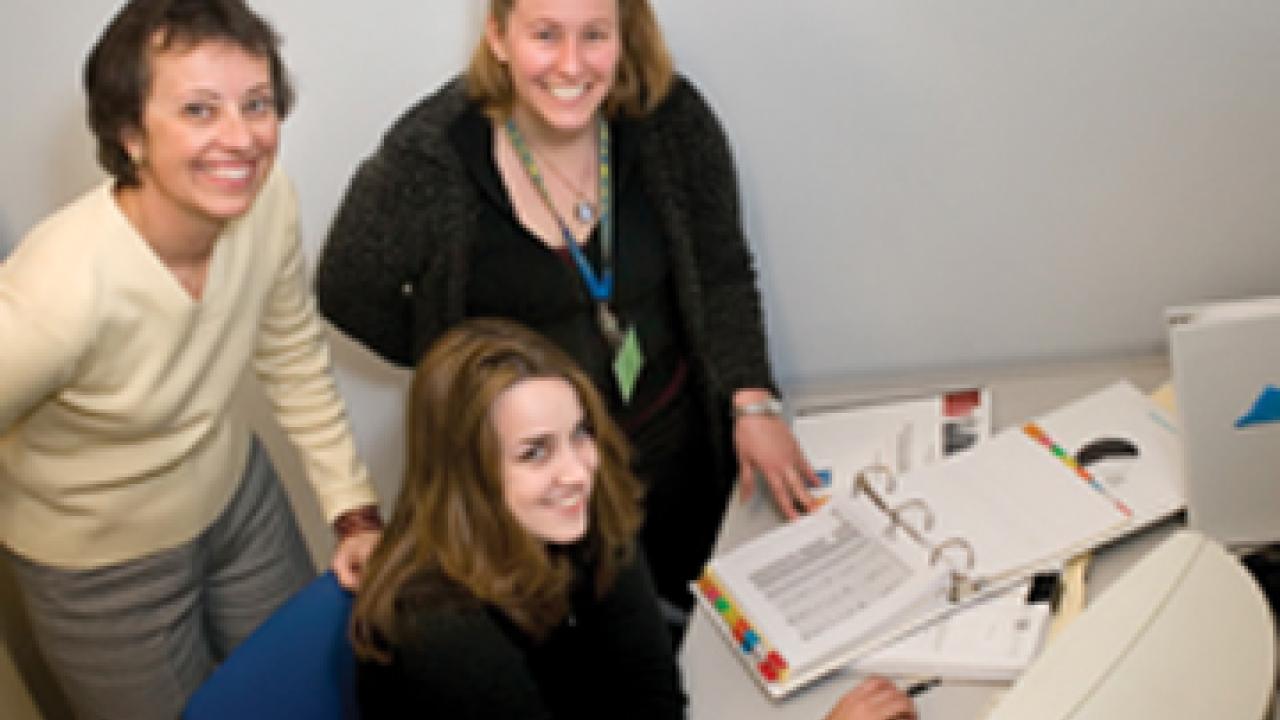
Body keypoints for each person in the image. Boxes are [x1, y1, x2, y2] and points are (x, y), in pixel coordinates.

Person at [316, 0, 819, 619]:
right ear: (498, 36)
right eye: (545, 35)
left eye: (595, 35)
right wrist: (467, 371)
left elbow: (721, 272)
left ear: (624, 36)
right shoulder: (430, 157)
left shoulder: (672, 119)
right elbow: (346, 290)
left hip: (679, 460)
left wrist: (752, 401)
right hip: (534, 497)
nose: (572, 65)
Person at [0, 1, 381, 717]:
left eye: (257, 104)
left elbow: (294, 358)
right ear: (129, 134)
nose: (240, 139)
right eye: (200, 111)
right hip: (101, 571)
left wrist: (354, 515)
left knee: (311, 694)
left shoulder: (267, 205)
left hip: (238, 502)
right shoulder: (56, 293)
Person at [351, 317, 917, 720]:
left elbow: (653, 696)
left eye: (579, 435)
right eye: (534, 453)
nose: (576, 472)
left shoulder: (580, 510)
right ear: (467, 474)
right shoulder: (442, 635)